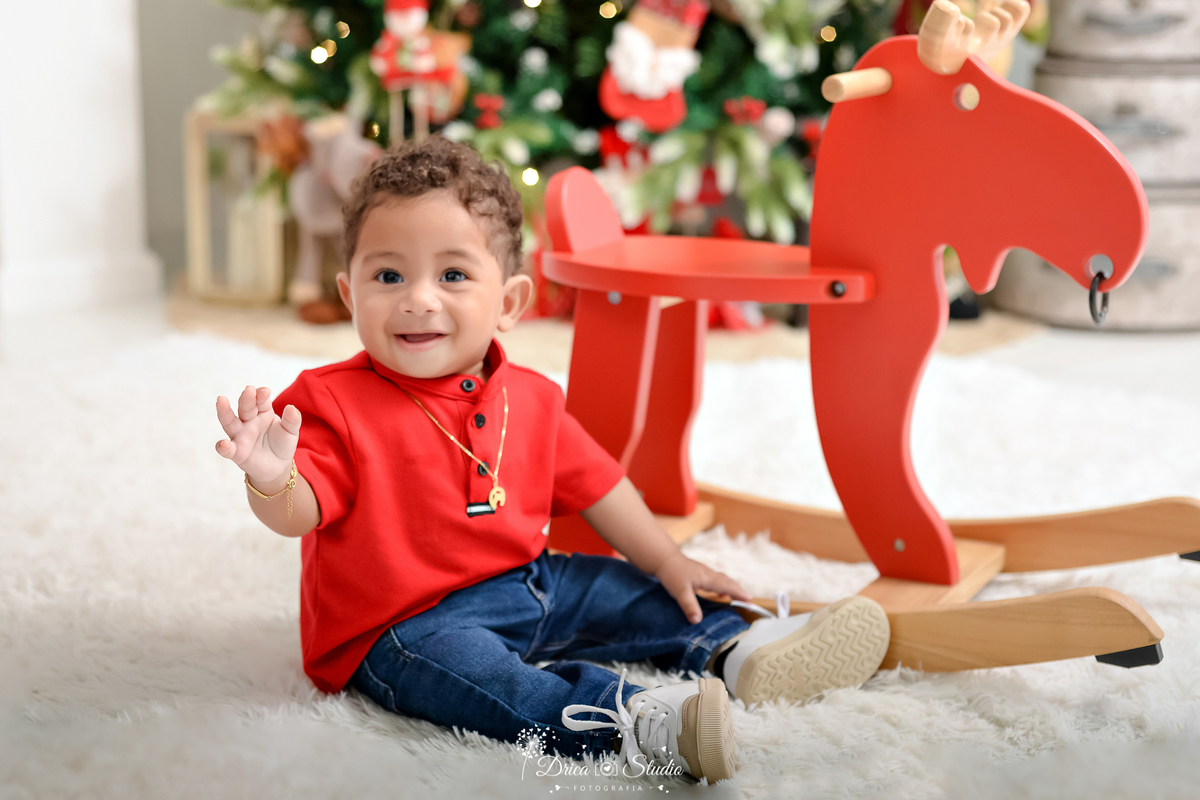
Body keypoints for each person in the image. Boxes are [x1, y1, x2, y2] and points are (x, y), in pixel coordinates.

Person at [214, 136, 890, 783]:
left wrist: (667, 559)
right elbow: (302, 510)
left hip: (529, 581)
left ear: (508, 302)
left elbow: (602, 487)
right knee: (490, 684)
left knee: (624, 590)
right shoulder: (330, 401)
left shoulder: (531, 398)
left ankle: (743, 651)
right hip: (400, 627)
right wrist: (272, 477)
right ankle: (635, 720)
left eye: (453, 274)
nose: (419, 298)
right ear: (349, 294)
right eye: (388, 275)